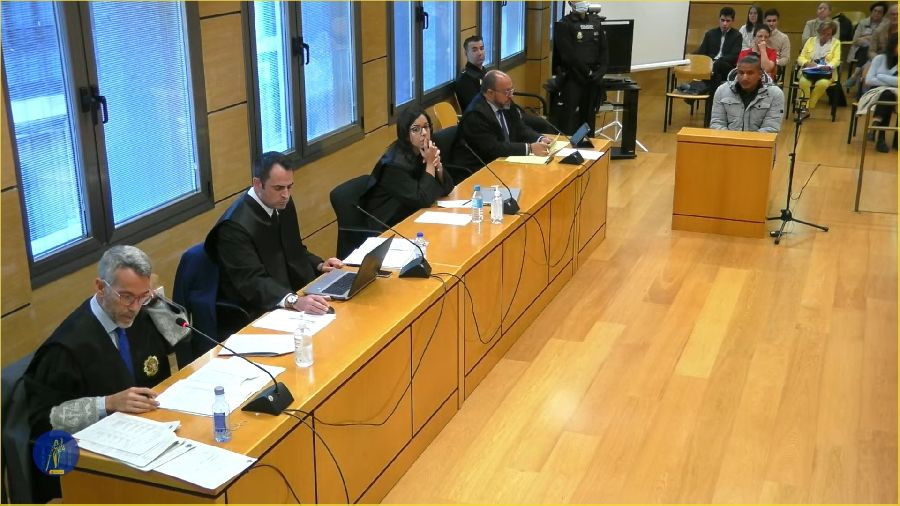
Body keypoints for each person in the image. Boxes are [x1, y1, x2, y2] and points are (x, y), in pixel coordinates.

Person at [24, 246, 188, 501]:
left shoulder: (140, 314)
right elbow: (45, 419)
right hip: (91, 466)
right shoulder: (64, 349)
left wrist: (155, 302)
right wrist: (107, 403)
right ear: (100, 287)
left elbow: (183, 337)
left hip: (151, 440)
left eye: (142, 296)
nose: (134, 307)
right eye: (126, 297)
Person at [205, 152, 342, 319]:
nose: (286, 195)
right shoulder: (233, 228)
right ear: (257, 184)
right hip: (259, 308)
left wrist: (319, 265)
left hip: (292, 295)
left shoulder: (281, 203)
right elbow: (253, 282)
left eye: (289, 187)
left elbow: (293, 248)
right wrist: (294, 301)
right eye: (278, 188)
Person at [360, 106, 455, 227]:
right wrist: (430, 164)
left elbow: (448, 188)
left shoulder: (424, 151)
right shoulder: (393, 166)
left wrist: (438, 166)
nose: (424, 133)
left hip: (414, 214)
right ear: (405, 134)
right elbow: (423, 199)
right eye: (416, 129)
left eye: (426, 127)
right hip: (389, 225)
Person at [452, 70, 553, 173]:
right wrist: (529, 148)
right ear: (490, 93)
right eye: (506, 92)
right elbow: (492, 148)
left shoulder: (504, 102)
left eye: (511, 91)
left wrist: (539, 139)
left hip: (503, 161)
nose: (511, 96)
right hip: (478, 169)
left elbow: (520, 128)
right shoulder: (476, 115)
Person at [552, 0, 609, 135]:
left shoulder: (595, 22)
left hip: (593, 78)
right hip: (573, 77)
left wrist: (601, 71)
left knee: (589, 117)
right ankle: (571, 144)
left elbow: (604, 49)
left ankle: (587, 142)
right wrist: (587, 72)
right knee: (570, 118)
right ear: (570, 3)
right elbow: (568, 55)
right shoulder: (564, 24)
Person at [710, 55, 785, 133]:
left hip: (759, 140)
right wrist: (732, 138)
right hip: (727, 139)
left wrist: (746, 139)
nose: (744, 78)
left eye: (750, 73)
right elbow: (717, 124)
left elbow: (771, 128)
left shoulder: (775, 94)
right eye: (741, 73)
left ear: (760, 74)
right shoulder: (722, 90)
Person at [696, 7, 743, 120]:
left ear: (733, 21)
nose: (725, 24)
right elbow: (702, 52)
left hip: (727, 68)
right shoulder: (710, 34)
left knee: (718, 65)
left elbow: (734, 56)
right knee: (715, 79)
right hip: (712, 70)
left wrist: (717, 61)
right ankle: (710, 116)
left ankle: (698, 89)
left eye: (728, 21)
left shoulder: (737, 35)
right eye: (722, 20)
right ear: (719, 19)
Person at [863, 32, 897, 152]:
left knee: (888, 95)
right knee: (887, 95)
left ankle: (876, 125)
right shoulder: (879, 58)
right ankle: (881, 138)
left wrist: (881, 76)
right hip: (876, 92)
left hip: (895, 93)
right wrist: (891, 81)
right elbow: (869, 80)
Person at [797, 20, 841, 111]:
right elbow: (800, 58)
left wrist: (828, 66)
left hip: (826, 73)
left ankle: (810, 104)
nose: (825, 36)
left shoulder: (836, 43)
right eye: (823, 33)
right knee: (804, 82)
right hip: (809, 71)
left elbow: (837, 60)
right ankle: (804, 106)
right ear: (819, 32)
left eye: (828, 34)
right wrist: (807, 63)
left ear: (832, 34)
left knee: (822, 84)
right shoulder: (810, 41)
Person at [454, 35, 486, 110]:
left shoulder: (484, 71)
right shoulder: (464, 79)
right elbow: (476, 107)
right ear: (466, 53)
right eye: (474, 50)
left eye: (482, 48)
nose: (480, 53)